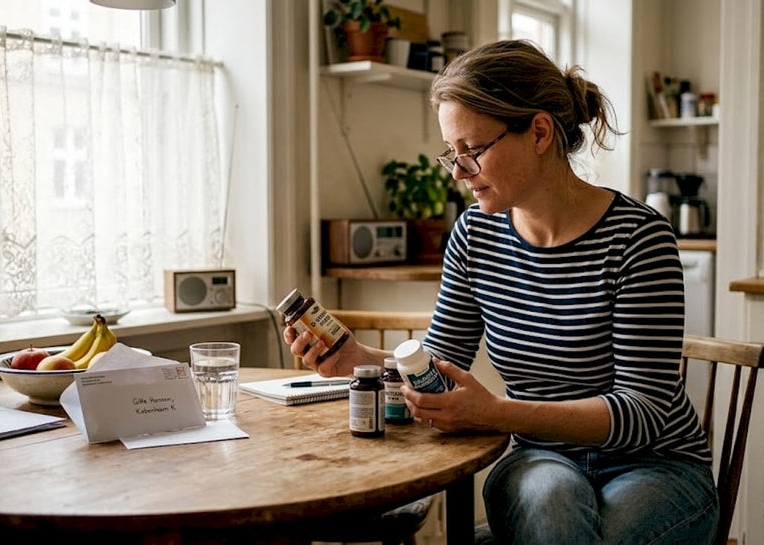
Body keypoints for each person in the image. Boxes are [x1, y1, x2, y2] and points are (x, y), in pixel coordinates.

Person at [285, 39, 718, 545]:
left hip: (657, 468)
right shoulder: (475, 236)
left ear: (538, 132)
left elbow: (643, 415)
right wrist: (354, 360)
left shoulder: (639, 239)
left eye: (473, 151)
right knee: (550, 501)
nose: (459, 173)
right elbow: (439, 364)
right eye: (452, 153)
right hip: (542, 460)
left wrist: (496, 412)